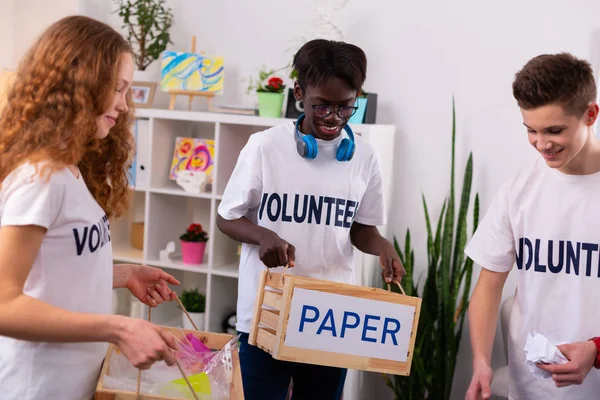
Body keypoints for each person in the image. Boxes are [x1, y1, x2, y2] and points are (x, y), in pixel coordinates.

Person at [0, 16, 182, 400]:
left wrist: (121, 273)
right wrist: (118, 328)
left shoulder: (69, 169)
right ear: (79, 84)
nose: (123, 104)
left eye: (127, 90)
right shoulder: (40, 179)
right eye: (117, 89)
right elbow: (3, 304)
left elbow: (55, 267)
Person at [216, 39, 405, 400]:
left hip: (331, 318)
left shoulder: (365, 157)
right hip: (265, 312)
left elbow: (361, 229)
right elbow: (228, 218)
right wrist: (263, 236)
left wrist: (382, 246)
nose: (333, 117)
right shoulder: (264, 147)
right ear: (300, 93)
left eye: (345, 107)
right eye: (322, 107)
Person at [465, 52, 600, 400]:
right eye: (531, 130)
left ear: (590, 114)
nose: (542, 144)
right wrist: (481, 362)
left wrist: (596, 350)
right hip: (530, 389)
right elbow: (488, 286)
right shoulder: (518, 190)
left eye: (555, 130)